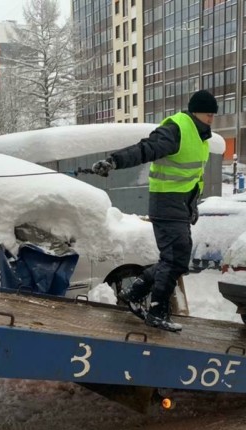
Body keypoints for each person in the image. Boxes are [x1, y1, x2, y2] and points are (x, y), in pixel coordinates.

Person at [91, 90, 218, 332]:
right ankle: (157, 311)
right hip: (166, 203)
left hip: (179, 205)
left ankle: (134, 293)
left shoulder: (200, 137)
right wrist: (114, 161)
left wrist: (191, 207)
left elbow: (192, 178)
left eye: (213, 114)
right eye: (207, 113)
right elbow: (146, 148)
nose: (211, 118)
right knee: (175, 258)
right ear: (194, 112)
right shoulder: (177, 129)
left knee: (176, 260)